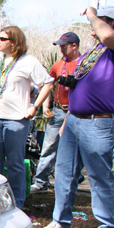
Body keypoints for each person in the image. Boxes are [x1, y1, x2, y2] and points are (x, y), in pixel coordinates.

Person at [40, 6, 114, 228]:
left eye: (99, 21)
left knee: (99, 175)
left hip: (99, 121)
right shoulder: (92, 53)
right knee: (64, 172)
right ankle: (61, 220)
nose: (92, 27)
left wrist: (92, 14)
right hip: (74, 119)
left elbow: (106, 36)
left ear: (110, 22)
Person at [0, 25, 52, 209]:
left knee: (15, 163)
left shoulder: (28, 61)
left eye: (2, 38)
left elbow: (47, 83)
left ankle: (18, 203)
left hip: (17, 118)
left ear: (14, 42)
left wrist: (35, 107)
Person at [31, 32, 82, 194]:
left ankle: (73, 178)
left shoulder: (83, 64)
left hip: (76, 113)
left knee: (75, 149)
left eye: (64, 46)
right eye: (60, 46)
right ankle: (40, 181)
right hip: (58, 110)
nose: (61, 49)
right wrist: (46, 105)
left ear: (75, 45)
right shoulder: (58, 65)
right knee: (48, 146)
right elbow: (48, 84)